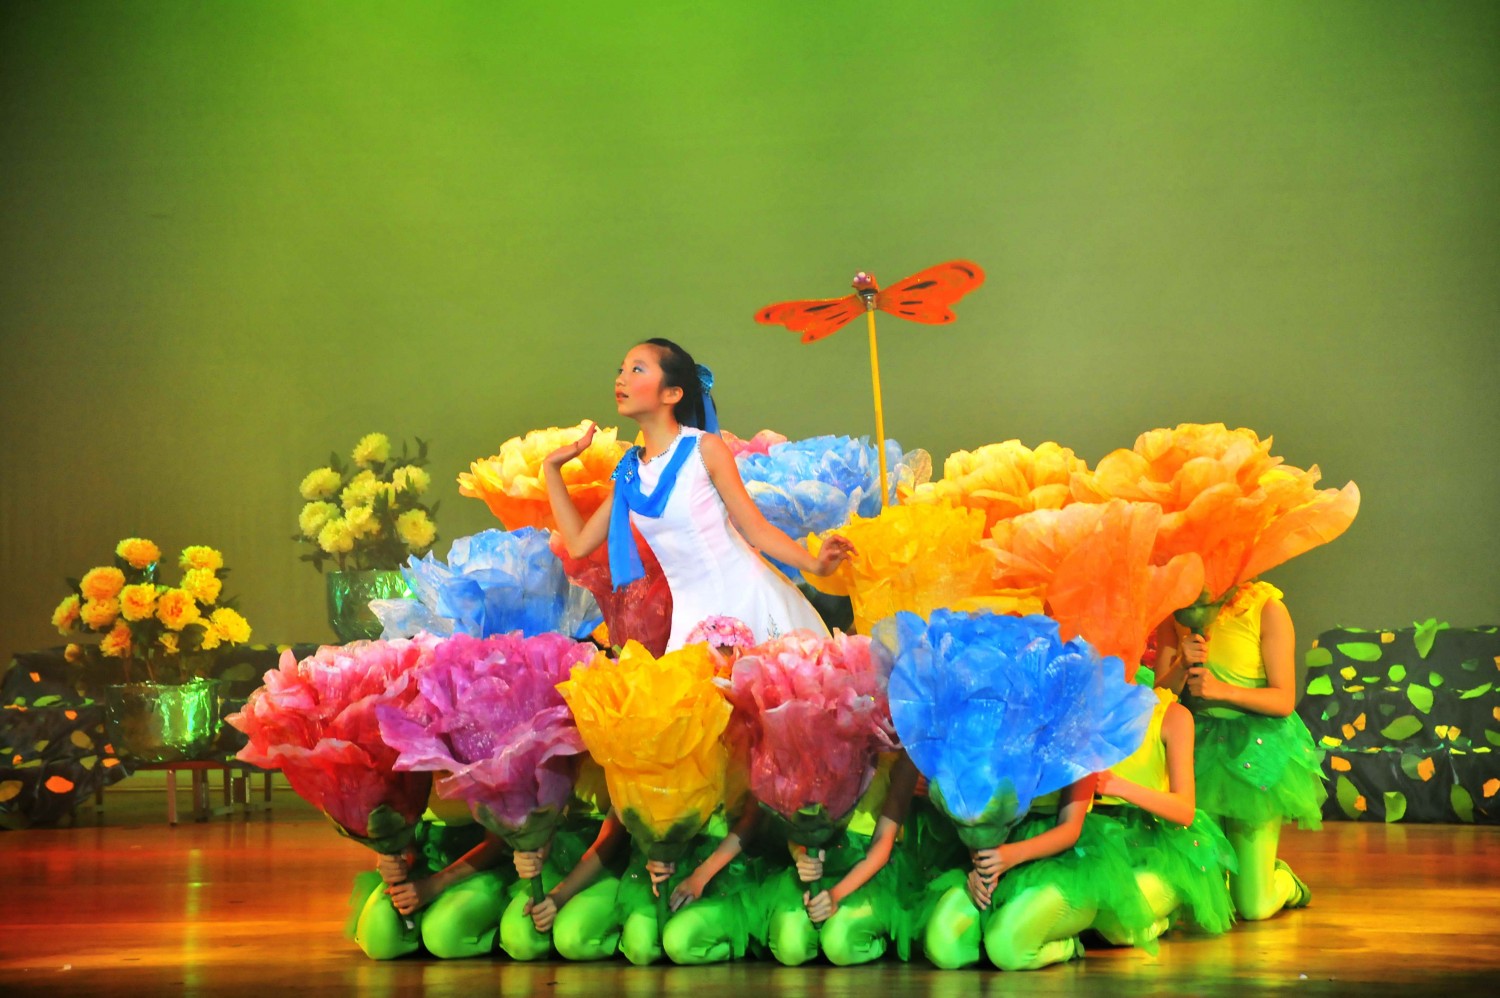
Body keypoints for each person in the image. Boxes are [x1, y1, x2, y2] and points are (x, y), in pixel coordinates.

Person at [543, 338, 853, 650]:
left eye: (637, 370)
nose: (621, 379)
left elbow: (756, 529)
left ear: (672, 393)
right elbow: (578, 544)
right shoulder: (630, 472)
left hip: (750, 604)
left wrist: (816, 565)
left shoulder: (703, 450)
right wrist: (552, 469)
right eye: (620, 370)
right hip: (690, 624)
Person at [1153, 581, 1324, 920]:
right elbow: (1159, 696)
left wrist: (1221, 691)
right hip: (1197, 752)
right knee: (1203, 899)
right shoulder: (1177, 614)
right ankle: (1242, 875)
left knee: (1253, 907)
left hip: (1254, 752)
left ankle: (1283, 881)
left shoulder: (1267, 609)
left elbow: (1283, 699)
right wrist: (1181, 665)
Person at [922, 775, 1154, 971]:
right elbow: (973, 815)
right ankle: (995, 936)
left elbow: (1069, 829)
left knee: (1006, 949)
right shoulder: (991, 737)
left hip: (1062, 863)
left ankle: (1068, 944)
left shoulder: (1078, 740)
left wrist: (1010, 856)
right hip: (995, 849)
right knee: (943, 947)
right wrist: (981, 862)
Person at [1089, 681, 1237, 946]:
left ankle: (1158, 921)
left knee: (1120, 921)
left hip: (1155, 845)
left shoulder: (1170, 716)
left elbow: (1184, 810)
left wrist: (1117, 786)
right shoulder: (1076, 709)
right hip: (1095, 837)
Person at [349, 796, 514, 960]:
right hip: (428, 855)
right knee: (379, 937)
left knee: (443, 934)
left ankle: (488, 928)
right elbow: (400, 817)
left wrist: (432, 886)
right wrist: (394, 854)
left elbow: (496, 844)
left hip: (485, 863)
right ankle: (422, 930)